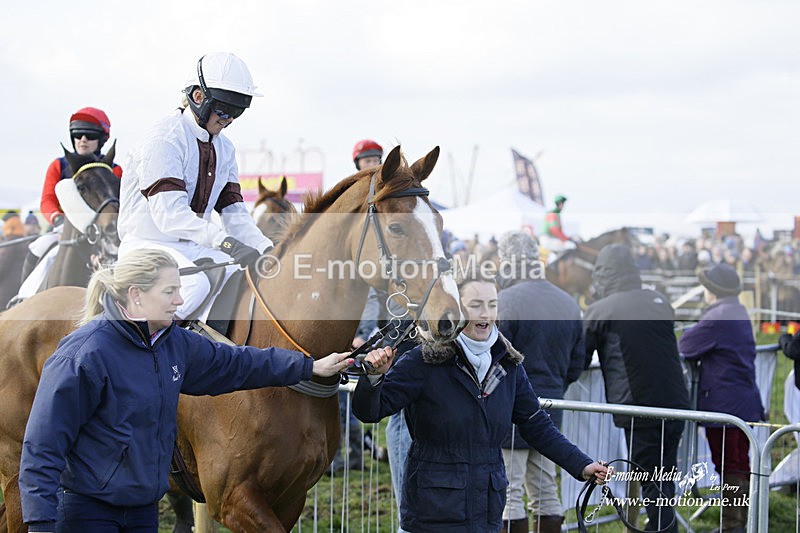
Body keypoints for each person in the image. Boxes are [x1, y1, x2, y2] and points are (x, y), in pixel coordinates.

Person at [18, 248, 370, 533]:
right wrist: (40, 524)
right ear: (136, 295)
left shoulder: (175, 344)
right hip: (86, 511)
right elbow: (43, 444)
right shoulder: (84, 355)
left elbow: (240, 363)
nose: (179, 300)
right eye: (170, 291)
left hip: (142, 511)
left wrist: (309, 367)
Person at [353, 273, 610, 533]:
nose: (486, 314)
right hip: (432, 511)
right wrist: (373, 377)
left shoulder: (508, 365)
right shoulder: (422, 361)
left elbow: (536, 424)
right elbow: (370, 411)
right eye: (475, 305)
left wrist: (581, 464)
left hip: (486, 508)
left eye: (492, 304)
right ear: (455, 307)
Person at [118, 52, 272, 323]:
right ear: (198, 98)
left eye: (237, 113)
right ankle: (145, 351)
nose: (229, 120)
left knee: (239, 276)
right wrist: (225, 242)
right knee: (196, 285)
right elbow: (170, 216)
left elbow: (235, 214)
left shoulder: (225, 148)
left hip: (189, 247)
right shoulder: (165, 138)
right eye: (224, 110)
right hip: (146, 245)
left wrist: (266, 247)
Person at [583, 243, 689, 533]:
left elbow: (578, 357)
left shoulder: (601, 309)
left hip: (640, 406)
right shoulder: (658, 300)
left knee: (653, 482)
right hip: (676, 402)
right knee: (664, 478)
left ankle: (661, 530)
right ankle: (660, 527)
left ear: (603, 274)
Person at [496, 231, 586, 533]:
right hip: (551, 405)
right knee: (547, 490)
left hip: (510, 408)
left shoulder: (504, 301)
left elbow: (494, 359)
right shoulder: (568, 303)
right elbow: (577, 363)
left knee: (511, 492)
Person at [678, 264, 763, 532]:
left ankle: (733, 527)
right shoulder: (737, 310)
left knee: (729, 464)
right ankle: (743, 523)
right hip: (742, 400)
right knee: (740, 463)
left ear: (713, 289)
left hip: (725, 403)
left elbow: (686, 346)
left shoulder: (720, 315)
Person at [21, 107, 123, 283]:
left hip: (104, 234)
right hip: (65, 229)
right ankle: (22, 298)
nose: (83, 140)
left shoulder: (114, 170)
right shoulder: (58, 166)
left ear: (101, 139)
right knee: (38, 246)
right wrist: (57, 219)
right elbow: (47, 200)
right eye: (78, 134)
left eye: (89, 135)